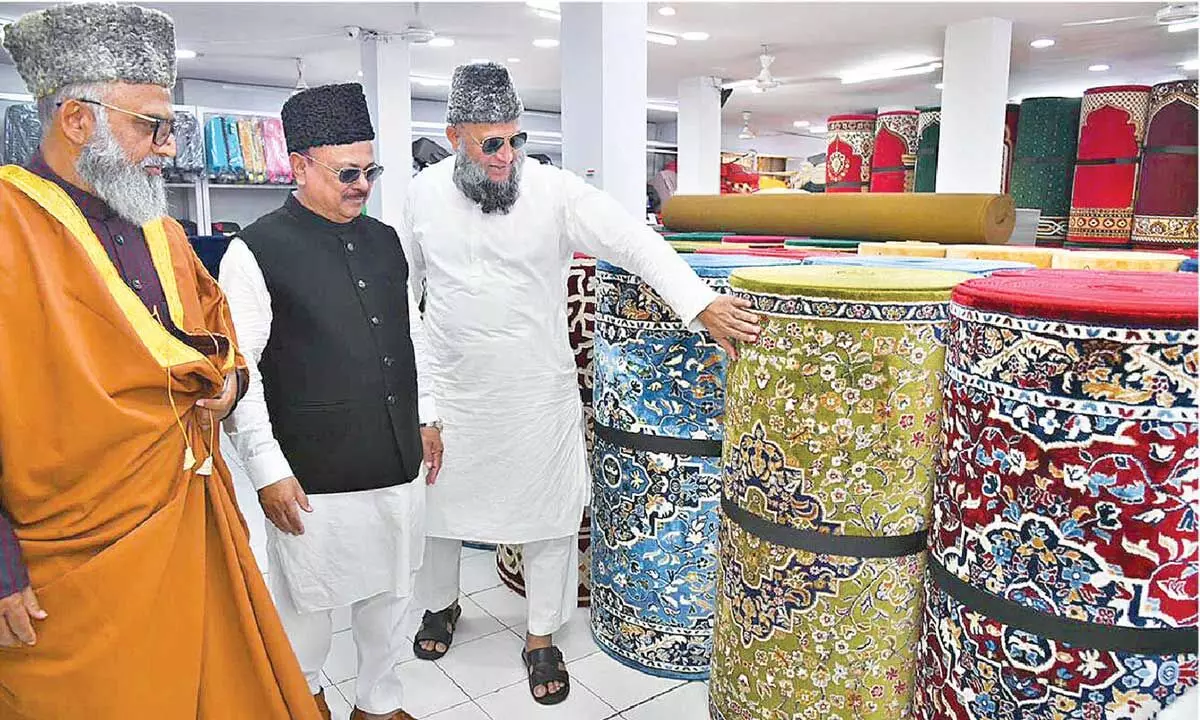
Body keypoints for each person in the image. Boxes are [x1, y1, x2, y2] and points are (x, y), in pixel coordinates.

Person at [403, 62, 760, 706]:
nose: (507, 156)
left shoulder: (553, 191)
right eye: (491, 143)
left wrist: (699, 304)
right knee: (439, 513)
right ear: (455, 135)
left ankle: (542, 636)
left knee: (547, 517)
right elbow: (406, 299)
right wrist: (423, 403)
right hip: (454, 392)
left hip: (536, 395)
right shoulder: (421, 196)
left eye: (516, 139)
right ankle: (440, 606)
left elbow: (635, 243)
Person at [0, 4, 318, 718]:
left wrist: (229, 387)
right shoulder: (7, 227)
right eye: (152, 125)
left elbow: (220, 344)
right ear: (78, 121)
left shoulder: (163, 228)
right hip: (68, 569)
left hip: (190, 517)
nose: (169, 147)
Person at [221, 83, 441, 720]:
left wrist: (429, 415)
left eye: (371, 170)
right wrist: (266, 472)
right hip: (311, 472)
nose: (363, 185)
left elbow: (412, 334)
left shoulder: (384, 240)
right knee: (308, 604)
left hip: (396, 455)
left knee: (392, 593)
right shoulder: (255, 250)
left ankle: (378, 702)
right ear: (300, 166)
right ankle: (302, 699)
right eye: (348, 172)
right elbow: (244, 373)